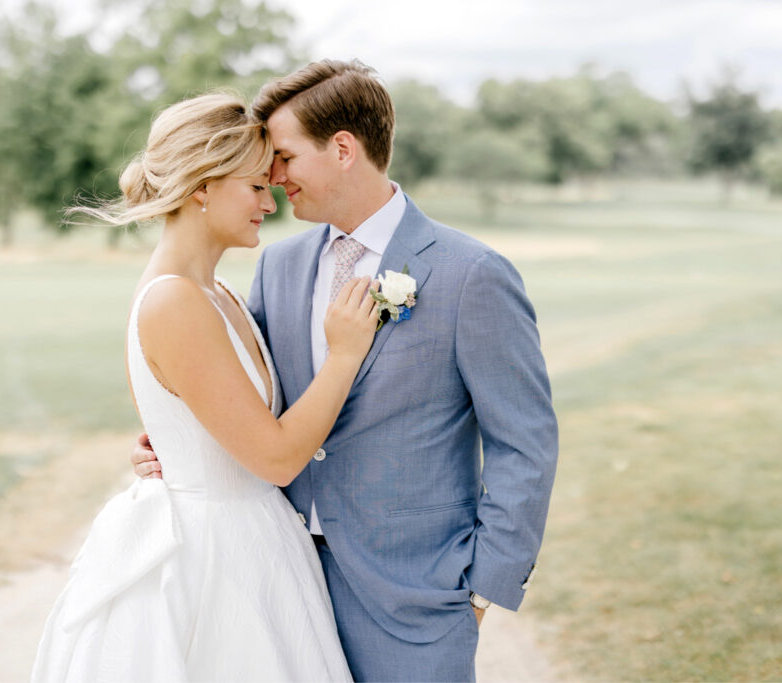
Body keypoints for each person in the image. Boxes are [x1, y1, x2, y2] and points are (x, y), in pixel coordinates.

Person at [132, 60, 559, 682]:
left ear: (341, 149)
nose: (273, 179)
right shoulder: (277, 267)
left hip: (417, 601)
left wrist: (480, 590)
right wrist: (173, 443)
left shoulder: (472, 274)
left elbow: (525, 442)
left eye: (283, 157)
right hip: (278, 582)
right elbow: (238, 396)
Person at [32, 92, 382, 682]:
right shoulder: (174, 299)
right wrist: (344, 355)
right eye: (253, 186)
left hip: (255, 538)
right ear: (202, 187)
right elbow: (274, 457)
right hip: (211, 557)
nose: (269, 203)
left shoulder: (218, 294)